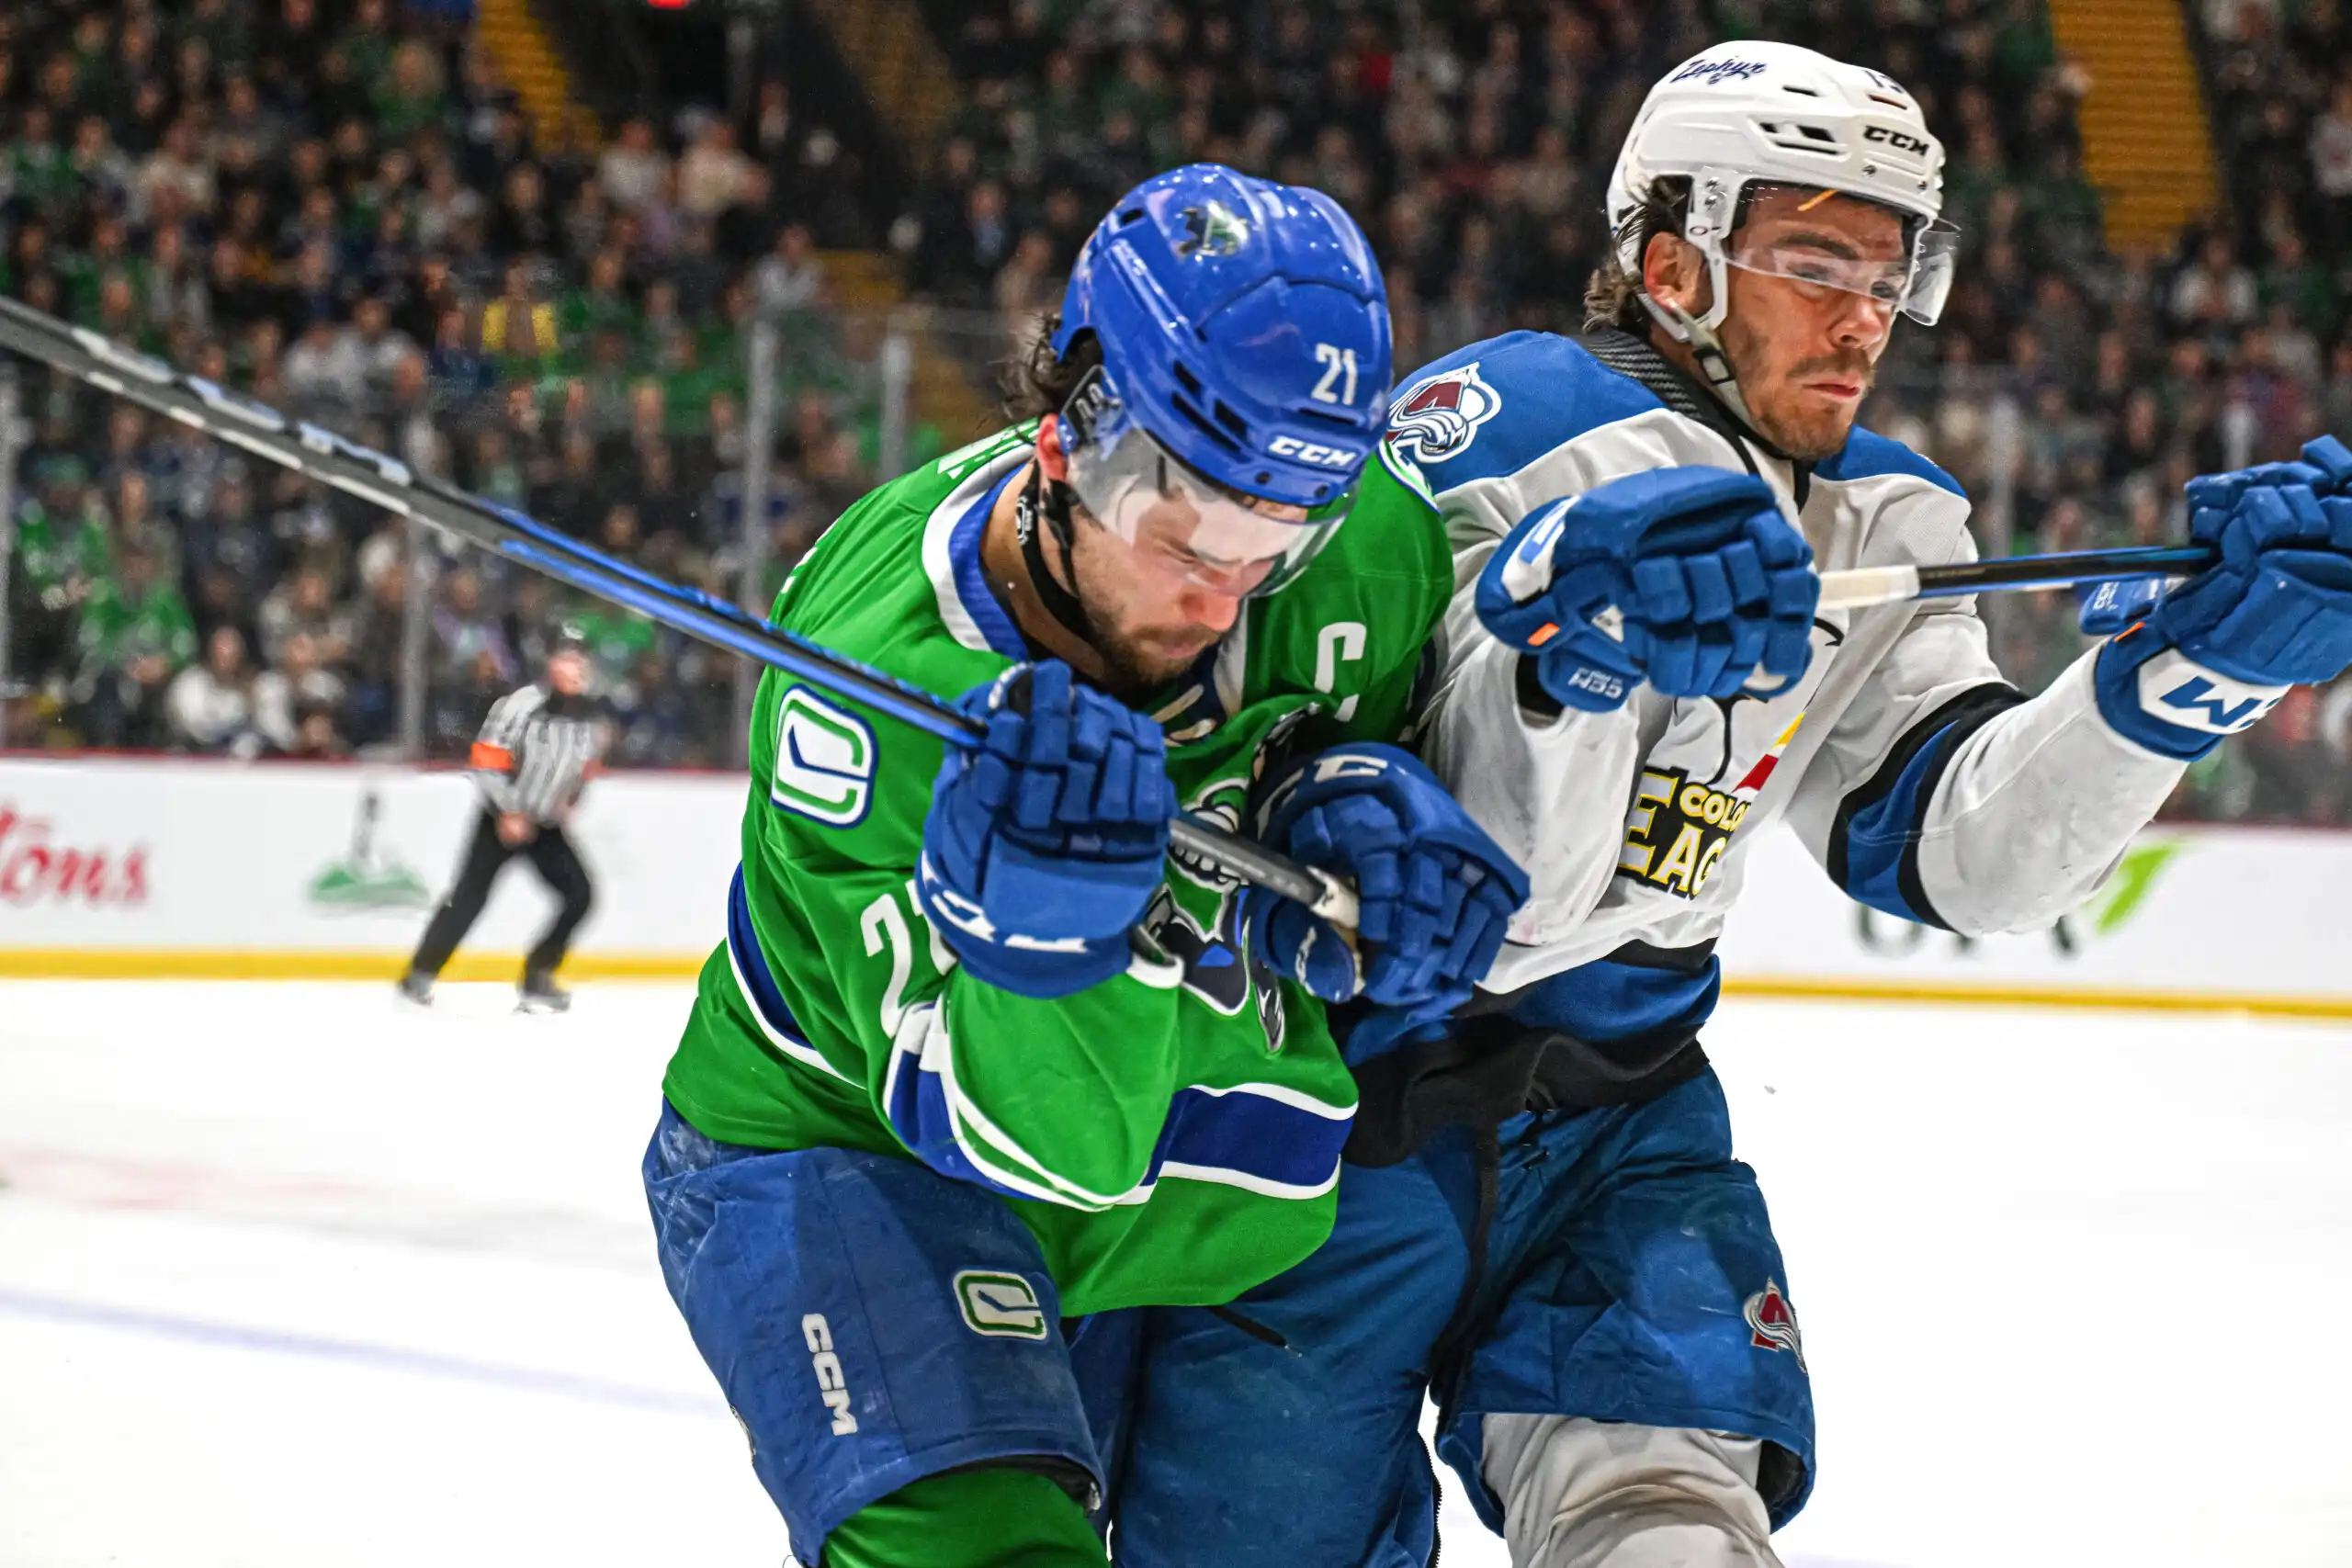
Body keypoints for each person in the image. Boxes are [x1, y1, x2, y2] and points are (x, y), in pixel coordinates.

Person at [1092, 42, 2352, 1568]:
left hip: (1623, 1121)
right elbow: (1458, 889)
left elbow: (1957, 853)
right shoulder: (1490, 432)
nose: (1865, 321)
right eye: (1819, 264)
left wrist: (2176, 681)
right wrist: (1561, 645)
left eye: (1894, 277)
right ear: (1675, 257)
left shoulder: (1884, 509)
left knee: (1673, 1536)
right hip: (1314, 1133)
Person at [640, 164, 1525, 1568]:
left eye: (1273, 541)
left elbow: (1353, 764)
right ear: (1069, 439)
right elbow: (1012, 1136)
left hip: (1190, 1191)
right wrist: (1045, 946)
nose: (1222, 589)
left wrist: (1343, 795)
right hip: (859, 1158)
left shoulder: (1362, 552)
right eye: (1183, 535)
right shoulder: (869, 685)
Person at [401, 630, 608, 1012]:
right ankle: (419, 974)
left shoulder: (588, 720)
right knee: (467, 899)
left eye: (581, 659)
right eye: (567, 657)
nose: (576, 667)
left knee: (581, 895)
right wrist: (509, 810)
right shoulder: (521, 704)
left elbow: (584, 769)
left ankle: (538, 976)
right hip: (500, 821)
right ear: (549, 663)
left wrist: (572, 798)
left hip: (544, 826)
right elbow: (485, 761)